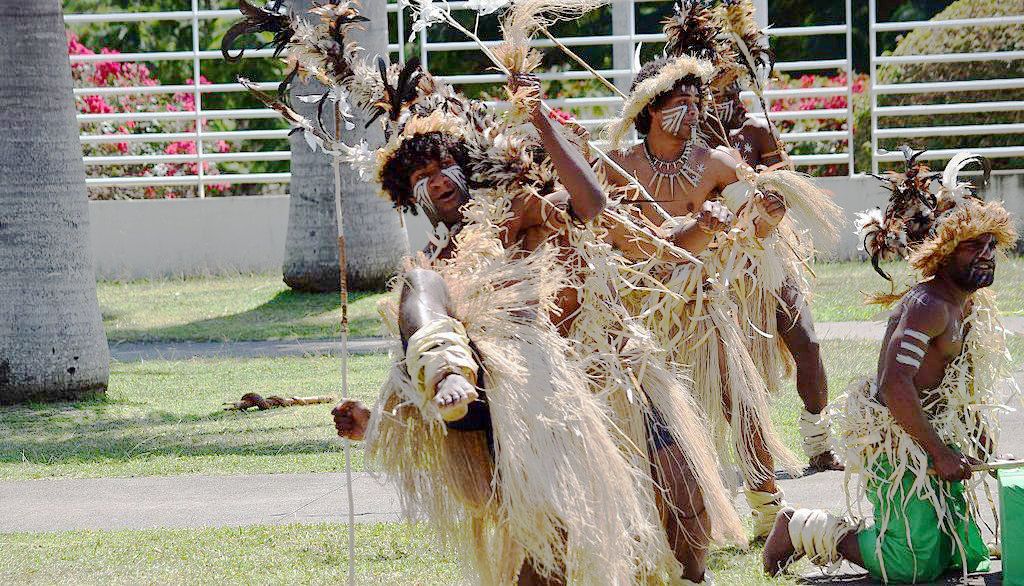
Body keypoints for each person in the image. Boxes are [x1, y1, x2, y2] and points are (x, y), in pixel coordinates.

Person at [332, 50, 744, 583]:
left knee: (684, 501)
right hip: (538, 403)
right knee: (550, 542)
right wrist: (376, 424)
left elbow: (599, 210)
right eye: (420, 178)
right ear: (408, 197)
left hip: (613, 368)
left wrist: (539, 118)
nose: (434, 182)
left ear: (467, 164)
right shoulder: (433, 269)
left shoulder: (520, 208)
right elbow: (417, 367)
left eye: (441, 167)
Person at [763, 172, 1019, 583]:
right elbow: (893, 385)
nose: (986, 254)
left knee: (959, 555)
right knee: (909, 567)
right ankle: (798, 527)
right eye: (974, 245)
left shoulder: (969, 305)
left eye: (991, 245)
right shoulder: (928, 305)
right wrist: (938, 452)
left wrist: (979, 443)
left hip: (932, 427)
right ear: (945, 252)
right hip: (893, 434)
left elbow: (959, 386)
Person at [664, 0, 844, 472]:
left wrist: (769, 196)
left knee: (806, 341)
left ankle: (819, 442)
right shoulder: (684, 137)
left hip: (765, 252)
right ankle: (741, 458)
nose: (728, 82)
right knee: (728, 369)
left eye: (734, 71)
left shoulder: (758, 132)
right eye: (718, 74)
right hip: (714, 262)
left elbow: (784, 195)